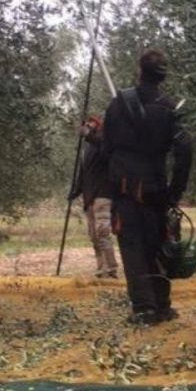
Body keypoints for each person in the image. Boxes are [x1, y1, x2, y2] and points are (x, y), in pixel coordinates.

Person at [103, 49, 193, 325]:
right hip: (157, 189)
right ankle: (163, 306)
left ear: (139, 71)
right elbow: (185, 150)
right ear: (162, 77)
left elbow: (106, 147)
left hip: (125, 189)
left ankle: (143, 309)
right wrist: (175, 192)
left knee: (132, 247)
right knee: (157, 247)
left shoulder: (119, 104)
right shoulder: (170, 108)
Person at [69, 115, 118, 278]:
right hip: (89, 197)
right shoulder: (86, 150)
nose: (88, 126)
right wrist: (75, 191)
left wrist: (89, 135)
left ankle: (111, 269)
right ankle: (100, 268)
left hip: (103, 195)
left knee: (102, 233)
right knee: (93, 236)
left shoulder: (105, 142)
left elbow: (102, 145)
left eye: (91, 124)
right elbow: (83, 174)